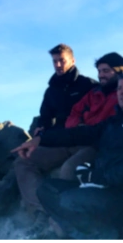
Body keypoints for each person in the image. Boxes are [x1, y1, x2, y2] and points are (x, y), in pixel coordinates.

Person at [23, 73, 123, 240]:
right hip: (99, 188)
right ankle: (83, 234)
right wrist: (40, 139)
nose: (122, 92)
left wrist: (99, 177)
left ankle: (98, 236)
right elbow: (77, 135)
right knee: (46, 189)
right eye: (119, 88)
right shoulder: (112, 122)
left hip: (122, 196)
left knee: (68, 201)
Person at [10, 44, 97, 215]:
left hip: (84, 141)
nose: (58, 65)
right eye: (54, 61)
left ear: (72, 60)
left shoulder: (88, 85)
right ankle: (44, 208)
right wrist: (41, 130)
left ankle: (73, 214)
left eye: (62, 61)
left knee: (68, 170)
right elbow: (45, 117)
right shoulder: (51, 91)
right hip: (59, 142)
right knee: (22, 161)